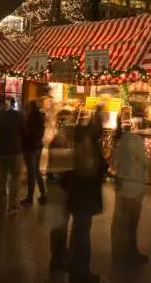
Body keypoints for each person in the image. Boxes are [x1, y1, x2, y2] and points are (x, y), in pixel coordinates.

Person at [50, 121, 105, 283]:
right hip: (84, 198)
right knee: (81, 235)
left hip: (79, 198)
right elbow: (90, 171)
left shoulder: (79, 148)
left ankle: (74, 267)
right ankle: (80, 273)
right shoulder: (87, 149)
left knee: (78, 233)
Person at [111, 120, 148, 265]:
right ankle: (131, 252)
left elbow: (113, 164)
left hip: (122, 187)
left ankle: (119, 252)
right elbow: (145, 162)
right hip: (135, 186)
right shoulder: (137, 141)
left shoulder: (117, 142)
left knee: (121, 222)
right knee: (132, 224)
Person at [0, 96, 26, 215]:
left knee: (1, 178)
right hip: (15, 150)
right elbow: (25, 131)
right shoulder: (17, 116)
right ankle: (13, 204)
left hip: (0, 151)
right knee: (15, 178)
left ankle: (1, 205)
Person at [21, 100, 47, 207]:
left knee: (32, 173)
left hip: (30, 147)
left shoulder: (30, 118)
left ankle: (29, 198)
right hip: (37, 147)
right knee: (36, 171)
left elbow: (26, 132)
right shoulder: (41, 117)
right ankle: (43, 194)